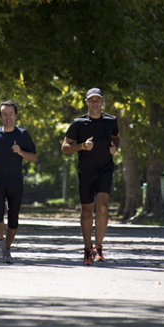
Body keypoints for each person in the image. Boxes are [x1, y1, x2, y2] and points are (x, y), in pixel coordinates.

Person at [61, 87, 120, 265]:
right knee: (87, 212)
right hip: (86, 172)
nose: (95, 102)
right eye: (91, 100)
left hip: (105, 170)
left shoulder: (111, 121)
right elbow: (65, 147)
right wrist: (81, 146)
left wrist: (115, 147)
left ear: (103, 102)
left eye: (98, 99)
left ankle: (99, 247)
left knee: (102, 207)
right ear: (86, 102)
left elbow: (116, 137)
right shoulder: (78, 123)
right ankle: (87, 249)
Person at [0, 101, 37, 263]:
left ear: (16, 115)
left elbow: (33, 157)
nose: (8, 117)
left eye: (11, 114)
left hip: (15, 182)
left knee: (13, 217)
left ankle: (7, 248)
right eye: (5, 114)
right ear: (0, 116)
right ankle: (0, 241)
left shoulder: (23, 135)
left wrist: (20, 151)